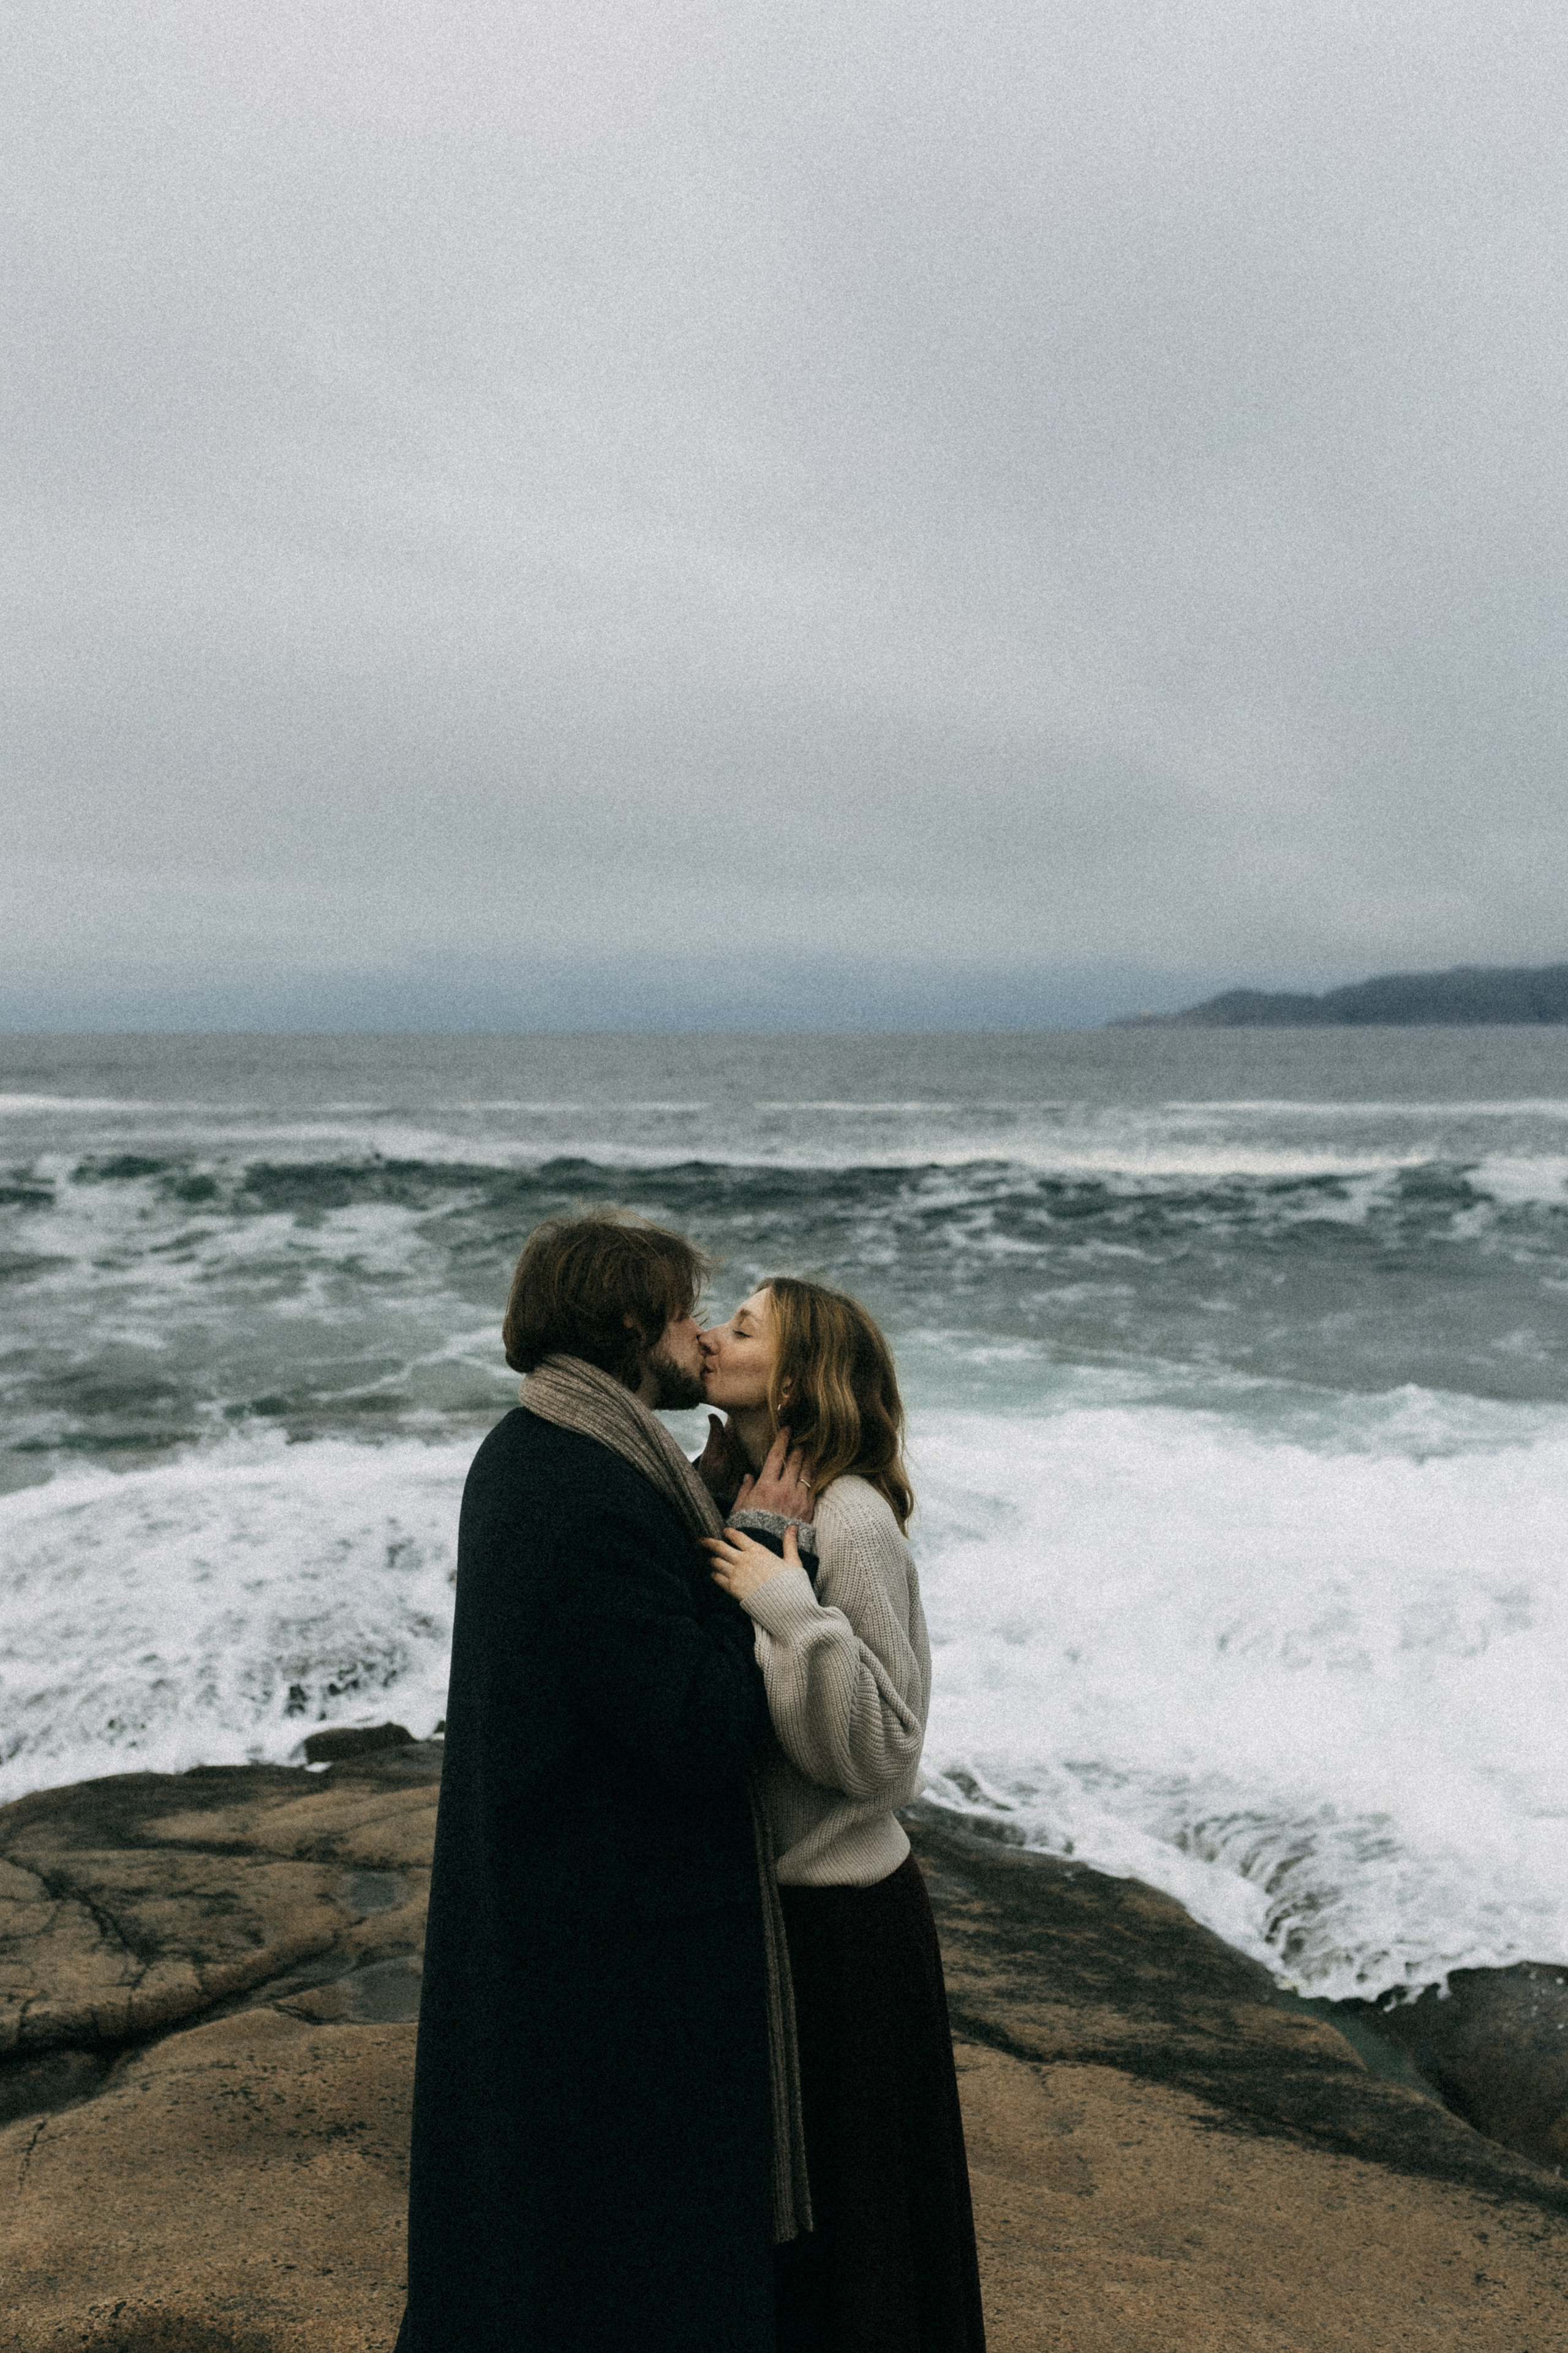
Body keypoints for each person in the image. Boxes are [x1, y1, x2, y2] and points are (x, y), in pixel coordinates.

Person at [394, 1210, 807, 2353]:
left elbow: (617, 1636)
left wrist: (706, 1500)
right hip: (610, 1956)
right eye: (684, 1314)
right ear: (631, 1323)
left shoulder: (540, 1448)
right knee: (622, 2273)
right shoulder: (585, 1490)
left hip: (557, 1925)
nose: (699, 1338)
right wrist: (765, 1546)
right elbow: (700, 1722)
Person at [700, 1277, 988, 2353]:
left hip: (848, 1928)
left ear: (797, 1373)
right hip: (781, 1925)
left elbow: (887, 1749)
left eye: (741, 1328)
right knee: (807, 2239)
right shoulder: (752, 1495)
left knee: (866, 2237)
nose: (711, 1335)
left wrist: (785, 1604)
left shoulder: (853, 1516)